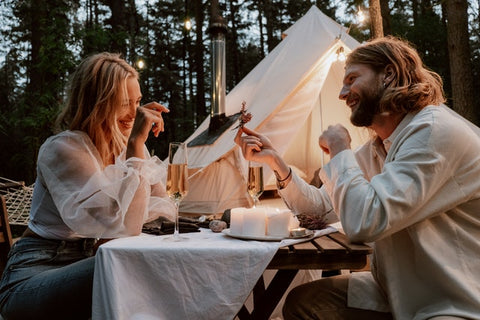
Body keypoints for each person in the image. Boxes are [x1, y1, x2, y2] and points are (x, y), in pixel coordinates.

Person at [235, 36, 480, 319]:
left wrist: (340, 149)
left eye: (351, 79)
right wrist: (277, 164)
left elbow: (366, 222)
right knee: (305, 302)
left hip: (454, 298)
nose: (342, 92)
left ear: (388, 74)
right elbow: (321, 210)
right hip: (400, 290)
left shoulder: (433, 131)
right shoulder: (379, 146)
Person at [0, 52, 176, 319]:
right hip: (33, 272)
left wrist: (133, 149)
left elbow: (164, 210)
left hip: (88, 262)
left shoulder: (123, 151)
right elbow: (117, 223)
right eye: (124, 103)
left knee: (150, 266)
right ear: (99, 103)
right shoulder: (63, 148)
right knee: (128, 269)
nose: (134, 113)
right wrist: (136, 146)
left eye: (138, 102)